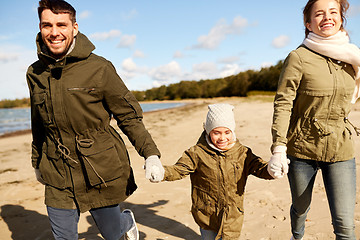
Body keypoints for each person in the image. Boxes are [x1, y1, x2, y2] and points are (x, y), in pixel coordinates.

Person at [26, 0, 165, 239]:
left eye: (62, 24)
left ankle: (125, 222)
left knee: (112, 233)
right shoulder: (34, 72)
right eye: (47, 25)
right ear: (40, 28)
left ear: (75, 27)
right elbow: (38, 122)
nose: (54, 32)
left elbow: (128, 116)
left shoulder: (100, 68)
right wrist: (37, 160)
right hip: (57, 169)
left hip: (98, 167)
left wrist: (151, 154)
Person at [268, 0, 360, 239]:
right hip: (301, 148)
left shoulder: (353, 58)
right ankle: (297, 236)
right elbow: (283, 103)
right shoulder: (298, 57)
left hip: (341, 147)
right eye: (318, 14)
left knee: (345, 225)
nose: (326, 17)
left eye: (333, 12)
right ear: (308, 23)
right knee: (300, 208)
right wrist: (279, 147)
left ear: (341, 19)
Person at [155, 103, 274, 240]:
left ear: (233, 131)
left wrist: (271, 170)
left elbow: (260, 168)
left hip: (232, 216)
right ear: (208, 131)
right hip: (206, 215)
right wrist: (162, 172)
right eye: (216, 133)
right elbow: (178, 170)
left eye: (227, 132)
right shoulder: (197, 153)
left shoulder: (243, 153)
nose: (222, 138)